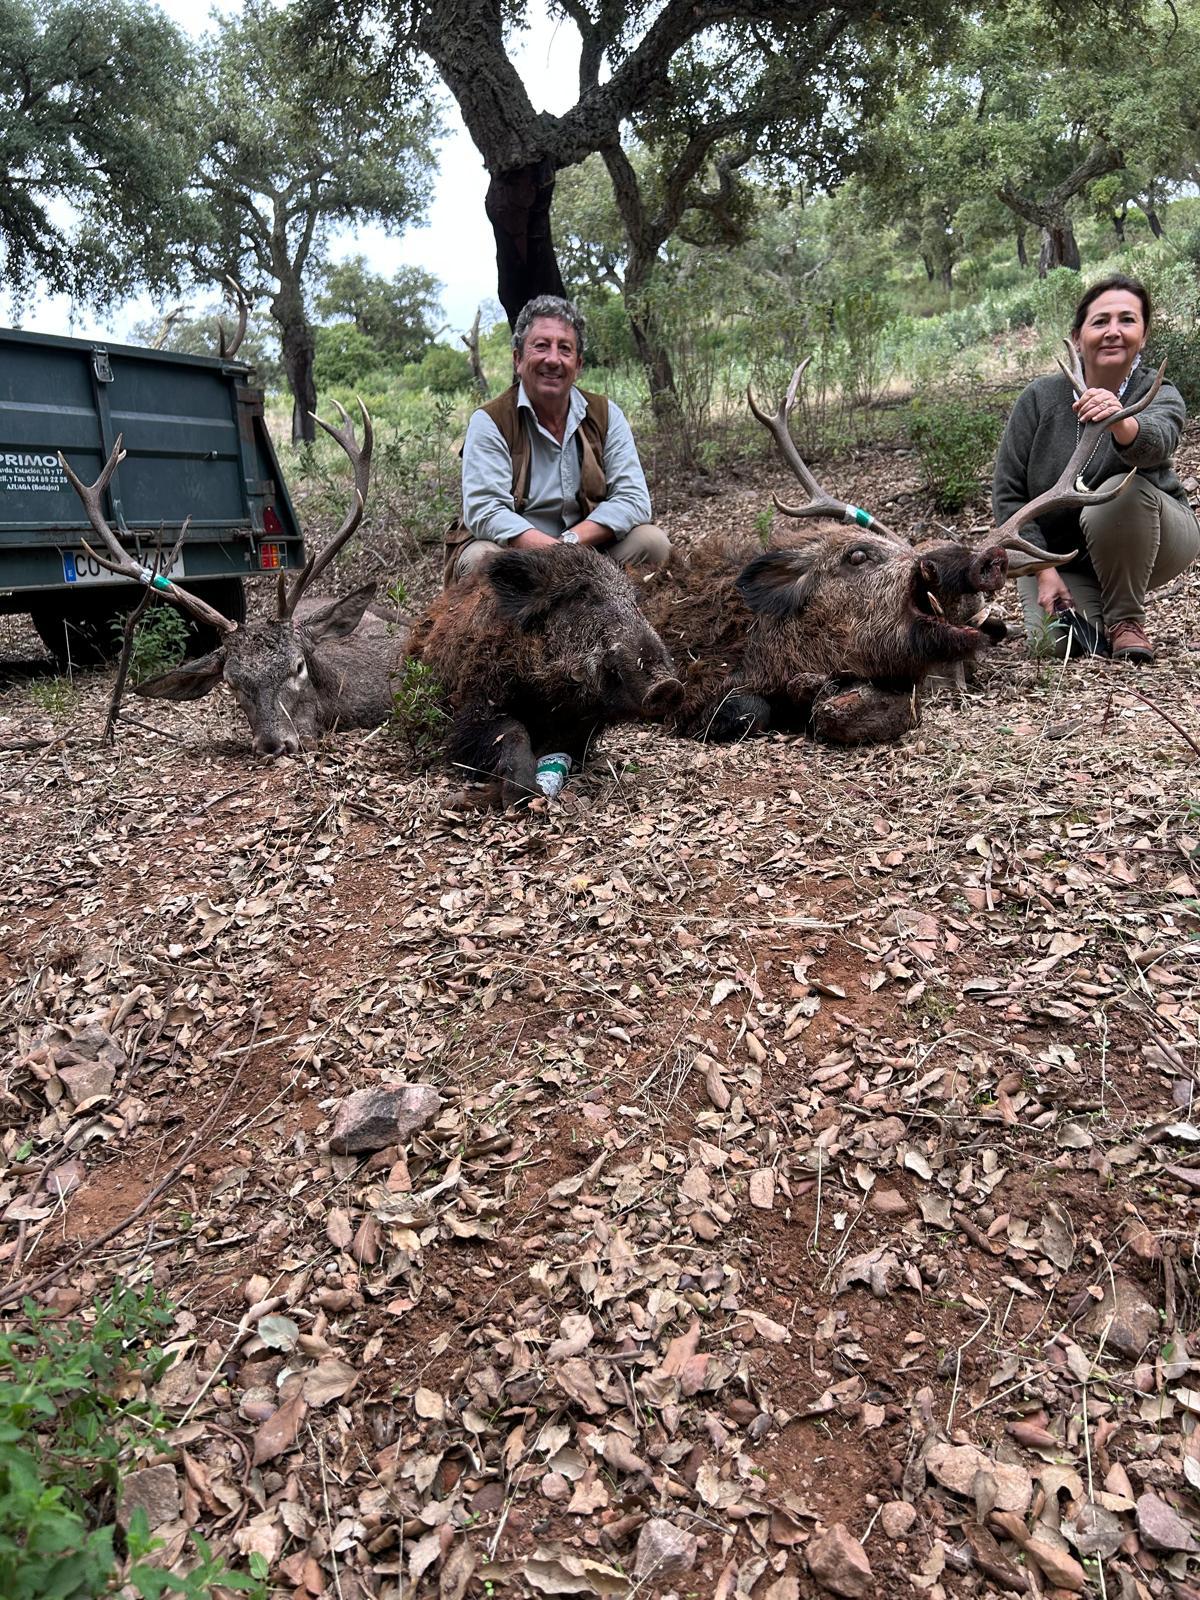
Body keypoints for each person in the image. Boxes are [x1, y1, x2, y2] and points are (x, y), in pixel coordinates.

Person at [992, 274, 1199, 663]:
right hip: (1065, 558)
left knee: (1119, 493)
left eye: (1127, 320)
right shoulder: (1038, 399)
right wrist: (1043, 569)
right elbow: (1008, 493)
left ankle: (1125, 621)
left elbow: (1157, 442)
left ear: (1144, 335)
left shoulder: (1159, 391)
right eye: (1100, 321)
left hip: (1156, 536)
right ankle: (1095, 606)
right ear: (1077, 336)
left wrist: (1121, 420)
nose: (1113, 332)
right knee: (1058, 644)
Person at [447, 294, 669, 583]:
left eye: (565, 349)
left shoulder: (605, 415)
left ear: (578, 365)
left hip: (589, 551)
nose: (553, 359)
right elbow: (485, 511)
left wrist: (571, 543)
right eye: (541, 346)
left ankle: (620, 611)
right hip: (520, 560)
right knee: (480, 559)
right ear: (518, 359)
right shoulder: (491, 422)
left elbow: (634, 500)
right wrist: (553, 552)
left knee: (653, 543)